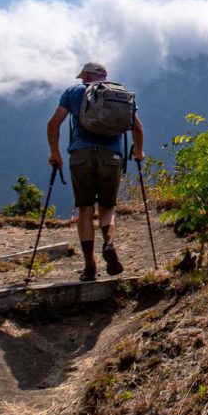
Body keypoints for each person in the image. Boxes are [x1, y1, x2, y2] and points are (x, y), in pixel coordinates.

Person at [46, 62, 144, 281]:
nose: (81, 79)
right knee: (108, 207)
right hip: (112, 156)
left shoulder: (73, 92)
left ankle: (90, 265)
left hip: (80, 155)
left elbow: (53, 124)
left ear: (87, 76)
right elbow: (137, 127)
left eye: (83, 76)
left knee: (85, 209)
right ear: (104, 76)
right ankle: (108, 244)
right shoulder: (120, 94)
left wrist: (55, 153)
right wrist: (138, 152)